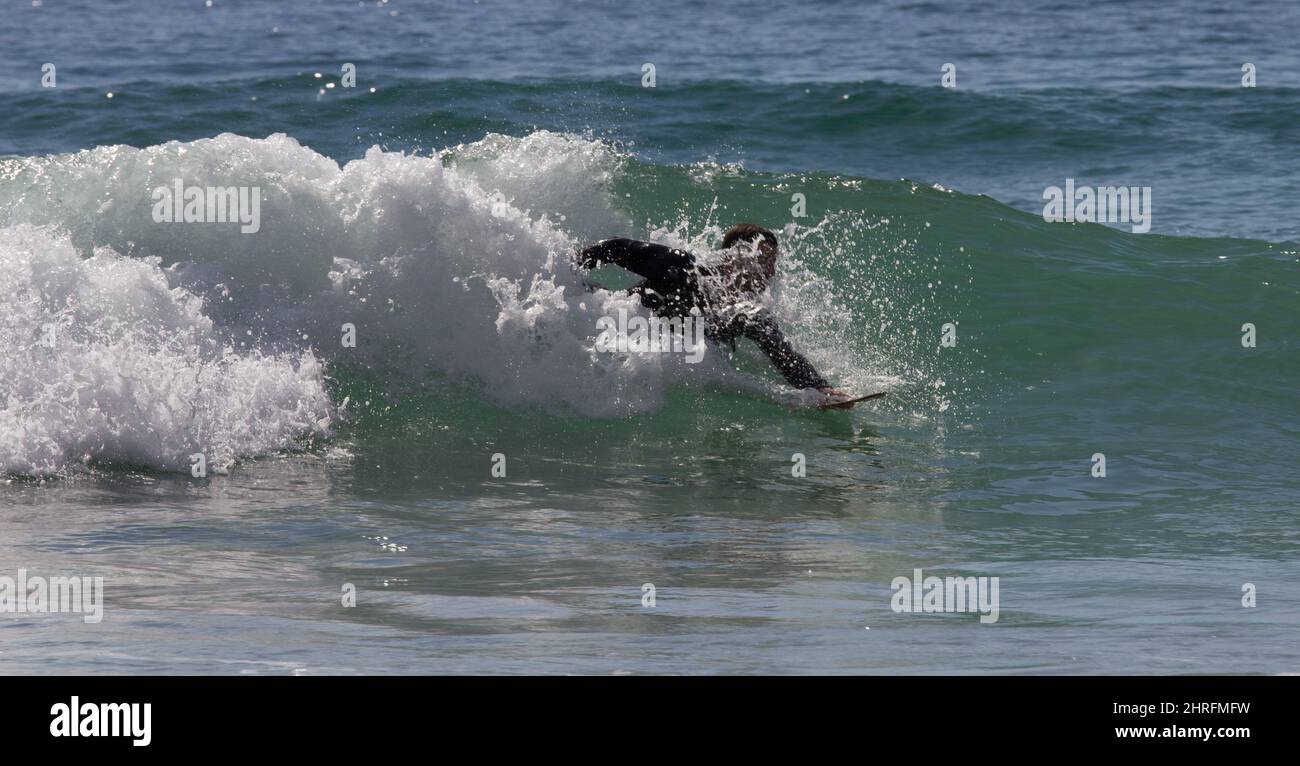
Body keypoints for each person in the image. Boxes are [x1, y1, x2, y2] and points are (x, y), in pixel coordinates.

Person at [577, 223, 841, 393]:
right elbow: (613, 247)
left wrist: (816, 387)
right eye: (763, 261)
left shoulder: (737, 311)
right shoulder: (684, 270)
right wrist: (569, 271)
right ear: (734, 257)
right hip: (593, 327)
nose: (770, 272)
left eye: (773, 263)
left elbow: (769, 337)